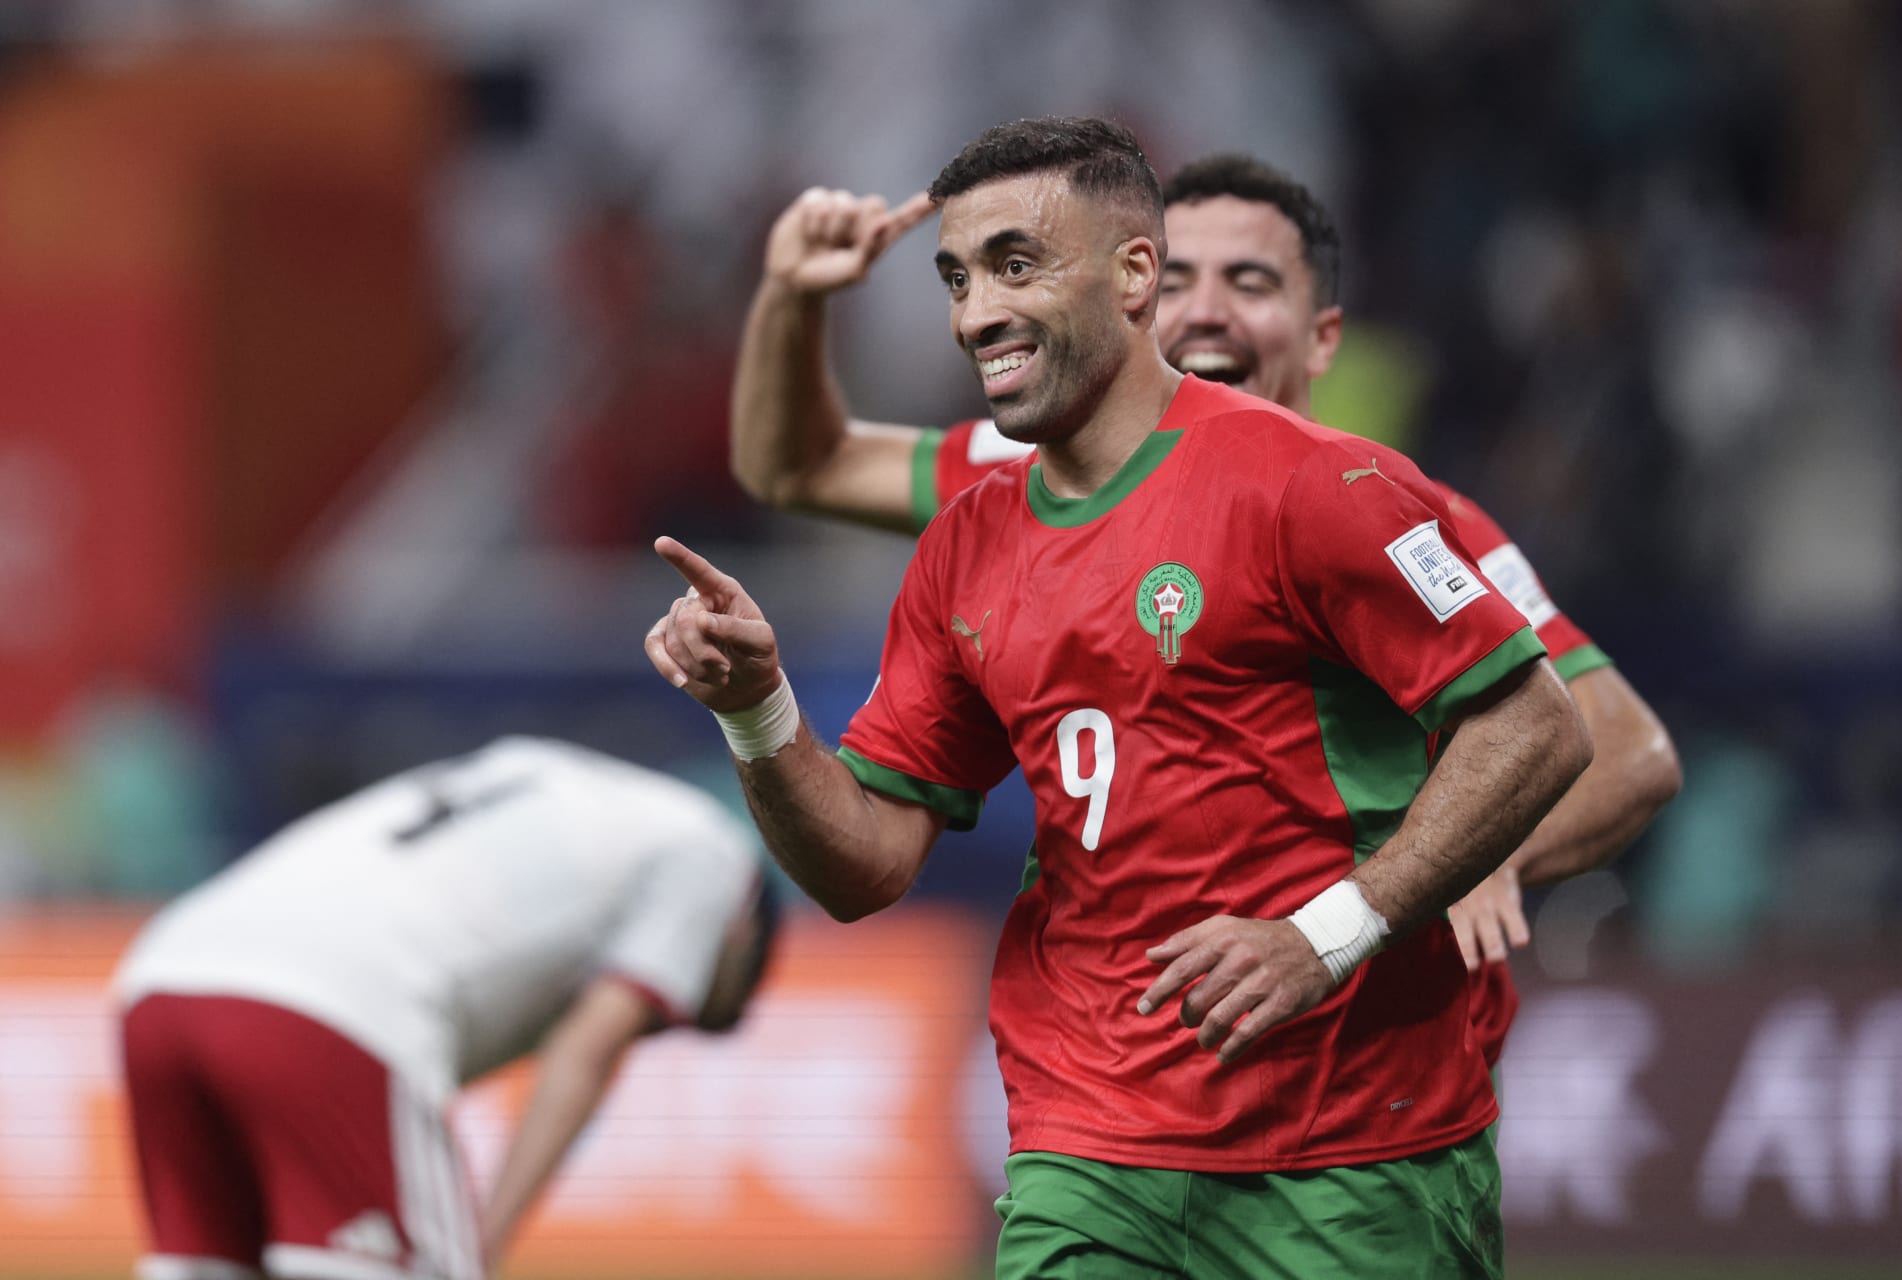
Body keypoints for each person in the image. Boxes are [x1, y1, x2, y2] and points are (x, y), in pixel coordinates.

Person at [650, 117, 1592, 1278]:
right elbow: (866, 862)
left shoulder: (1316, 484)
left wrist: (1329, 931)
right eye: (957, 278)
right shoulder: (966, 542)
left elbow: (1539, 721)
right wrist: (756, 708)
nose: (975, 314)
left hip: (1350, 1149)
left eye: (1015, 264)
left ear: (1136, 274)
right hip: (1089, 1145)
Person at [730, 150, 1682, 1072]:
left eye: (1251, 281)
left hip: (1365, 1073)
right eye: (1180, 278)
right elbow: (798, 466)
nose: (1206, 311)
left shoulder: (1405, 517)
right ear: (1131, 286)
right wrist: (793, 296)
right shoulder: (1024, 479)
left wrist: (1462, 859)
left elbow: (1621, 748)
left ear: (1321, 336)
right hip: (1107, 1074)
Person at [113, 736, 779, 1280]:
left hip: (163, 974)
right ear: (741, 933)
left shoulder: (542, 775)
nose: (659, 1022)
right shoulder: (712, 854)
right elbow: (586, 1051)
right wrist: (477, 1244)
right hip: (328, 997)